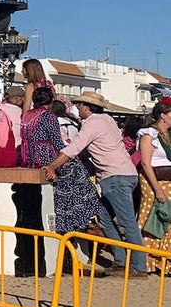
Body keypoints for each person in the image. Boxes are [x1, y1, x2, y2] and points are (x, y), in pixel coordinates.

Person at [46, 91, 147, 276]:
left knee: (127, 223)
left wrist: (53, 166)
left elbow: (74, 148)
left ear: (87, 107)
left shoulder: (92, 123)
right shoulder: (108, 120)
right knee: (105, 219)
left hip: (115, 177)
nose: (77, 108)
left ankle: (139, 267)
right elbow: (94, 148)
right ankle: (121, 261)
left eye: (80, 105)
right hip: (124, 174)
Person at [23, 87, 110, 247]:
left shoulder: (27, 115)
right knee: (79, 175)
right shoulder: (48, 116)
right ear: (50, 101)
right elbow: (57, 141)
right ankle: (79, 220)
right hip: (46, 156)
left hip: (30, 157)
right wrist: (63, 159)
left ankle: (77, 221)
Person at [135, 102, 171, 272]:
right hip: (153, 180)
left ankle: (164, 259)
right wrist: (157, 189)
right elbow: (145, 163)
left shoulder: (168, 134)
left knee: (168, 219)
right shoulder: (149, 134)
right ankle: (148, 259)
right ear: (163, 115)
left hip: (168, 180)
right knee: (151, 217)